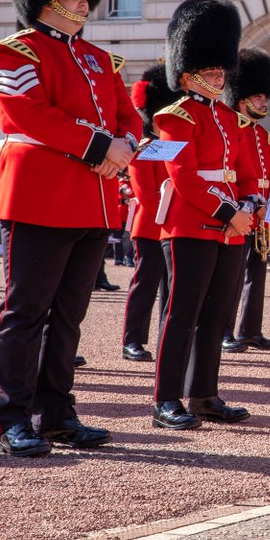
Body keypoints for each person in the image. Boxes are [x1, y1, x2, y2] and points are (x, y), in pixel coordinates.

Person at [0, 0, 141, 456]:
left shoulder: (100, 60)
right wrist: (102, 148)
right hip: (41, 200)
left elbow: (129, 117)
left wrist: (123, 149)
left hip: (94, 204)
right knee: (26, 312)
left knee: (69, 317)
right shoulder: (16, 52)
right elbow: (29, 115)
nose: (83, 1)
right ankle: (13, 417)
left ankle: (56, 412)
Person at [152, 0, 259, 430]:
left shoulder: (231, 118)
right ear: (187, 75)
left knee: (217, 314)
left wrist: (248, 206)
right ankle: (166, 398)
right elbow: (185, 177)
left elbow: (247, 173)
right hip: (190, 224)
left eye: (220, 72)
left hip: (230, 227)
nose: (218, 79)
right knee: (182, 314)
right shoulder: (175, 117)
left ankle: (203, 394)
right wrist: (230, 211)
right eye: (210, 73)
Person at [223, 47, 270, 353]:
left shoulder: (261, 135)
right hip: (240, 209)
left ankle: (249, 329)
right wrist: (250, 203)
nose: (263, 102)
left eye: (263, 96)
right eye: (257, 97)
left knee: (257, 271)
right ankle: (224, 330)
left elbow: (269, 174)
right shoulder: (231, 128)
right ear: (241, 99)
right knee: (231, 276)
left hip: (261, 211)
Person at [121, 64, 174, 362]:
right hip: (152, 227)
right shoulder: (143, 149)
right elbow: (147, 194)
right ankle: (132, 339)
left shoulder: (174, 146)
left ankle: (168, 335)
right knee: (145, 285)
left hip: (175, 227)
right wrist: (171, 216)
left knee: (171, 287)